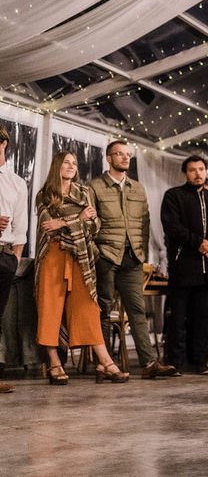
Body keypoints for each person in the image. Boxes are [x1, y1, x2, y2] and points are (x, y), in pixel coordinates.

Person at [35, 152, 129, 384]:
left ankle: (105, 361)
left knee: (88, 307)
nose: (71, 166)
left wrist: (65, 221)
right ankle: (54, 363)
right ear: (57, 165)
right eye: (66, 162)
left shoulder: (84, 192)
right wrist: (78, 218)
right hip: (53, 255)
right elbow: (48, 227)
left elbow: (94, 225)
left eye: (75, 163)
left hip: (80, 256)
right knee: (50, 308)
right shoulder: (44, 195)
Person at [89, 140, 178, 378]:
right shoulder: (94, 187)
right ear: (108, 158)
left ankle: (149, 364)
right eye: (119, 154)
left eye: (128, 155)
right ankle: (105, 364)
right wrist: (96, 253)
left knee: (137, 310)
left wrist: (142, 253)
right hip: (106, 256)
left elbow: (145, 223)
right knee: (104, 310)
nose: (125, 158)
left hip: (133, 258)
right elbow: (87, 224)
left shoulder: (137, 188)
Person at [161, 155, 208, 375]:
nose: (198, 173)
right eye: (193, 170)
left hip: (207, 269)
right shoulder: (174, 196)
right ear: (185, 173)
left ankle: (200, 361)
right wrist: (198, 242)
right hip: (183, 267)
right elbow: (172, 227)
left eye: (201, 169)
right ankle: (174, 362)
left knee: (203, 318)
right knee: (178, 317)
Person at [0, 126, 28, 393]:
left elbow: (21, 225)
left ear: (4, 143)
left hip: (5, 256)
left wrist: (15, 259)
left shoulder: (17, 182)